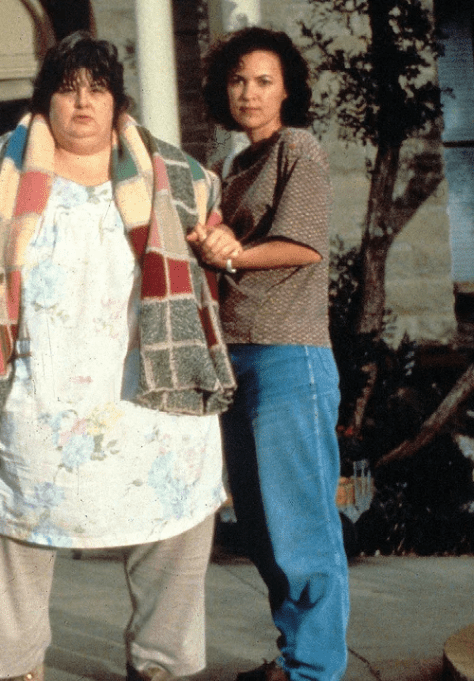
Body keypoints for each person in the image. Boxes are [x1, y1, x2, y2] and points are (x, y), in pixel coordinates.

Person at [0, 32, 236, 681]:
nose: (82, 103)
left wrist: (221, 242)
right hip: (34, 398)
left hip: (152, 396)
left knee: (172, 528)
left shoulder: (178, 176)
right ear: (45, 100)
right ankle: (13, 668)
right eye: (67, 89)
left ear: (117, 101)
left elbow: (214, 244)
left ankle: (160, 666)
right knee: (12, 529)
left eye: (97, 89)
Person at [193, 26, 350, 681]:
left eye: (263, 80)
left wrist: (231, 253)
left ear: (287, 89)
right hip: (237, 356)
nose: (249, 93)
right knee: (259, 524)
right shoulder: (234, 166)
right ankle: (295, 655)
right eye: (238, 80)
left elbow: (304, 244)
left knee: (300, 525)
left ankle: (316, 668)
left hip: (290, 355)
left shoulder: (297, 148)